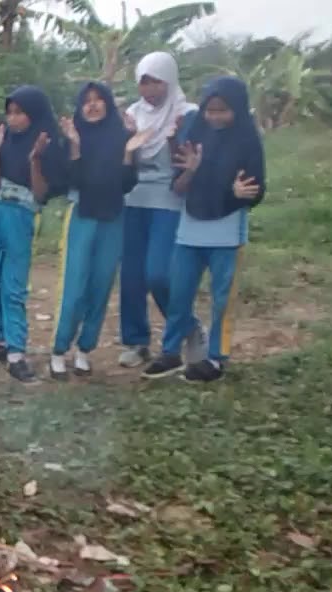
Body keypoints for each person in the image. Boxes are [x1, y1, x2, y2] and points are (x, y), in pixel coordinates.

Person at [143, 76, 265, 383]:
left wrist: (239, 192)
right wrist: (192, 171)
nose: (215, 117)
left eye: (222, 110)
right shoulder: (195, 132)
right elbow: (179, 185)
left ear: (237, 109)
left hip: (227, 230)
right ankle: (170, 352)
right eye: (210, 110)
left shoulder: (247, 139)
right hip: (191, 228)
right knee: (180, 294)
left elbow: (256, 187)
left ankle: (215, 359)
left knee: (221, 296)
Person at [49, 82, 149, 381]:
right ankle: (58, 350)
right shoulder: (70, 138)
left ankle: (84, 350)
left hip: (114, 216)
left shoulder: (120, 136)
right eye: (86, 101)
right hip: (81, 215)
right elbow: (71, 179)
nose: (92, 106)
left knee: (101, 285)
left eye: (98, 100)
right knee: (74, 285)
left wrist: (130, 149)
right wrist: (76, 145)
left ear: (107, 104)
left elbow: (127, 183)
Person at [0, 86, 70, 384]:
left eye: (20, 113)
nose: (13, 118)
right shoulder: (4, 140)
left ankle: (17, 353)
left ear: (35, 114)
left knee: (13, 285)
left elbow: (41, 193)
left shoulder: (48, 145)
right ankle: (1, 342)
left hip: (21, 217)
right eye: (10, 112)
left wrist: (35, 160)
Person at [119, 51, 200, 368]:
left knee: (158, 273)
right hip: (134, 198)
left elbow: (187, 159)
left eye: (155, 82)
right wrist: (127, 138)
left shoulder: (188, 113)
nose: (149, 90)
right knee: (131, 276)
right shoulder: (132, 115)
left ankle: (188, 327)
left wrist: (173, 138)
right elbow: (126, 161)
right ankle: (137, 341)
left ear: (169, 80)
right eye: (143, 82)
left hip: (169, 198)